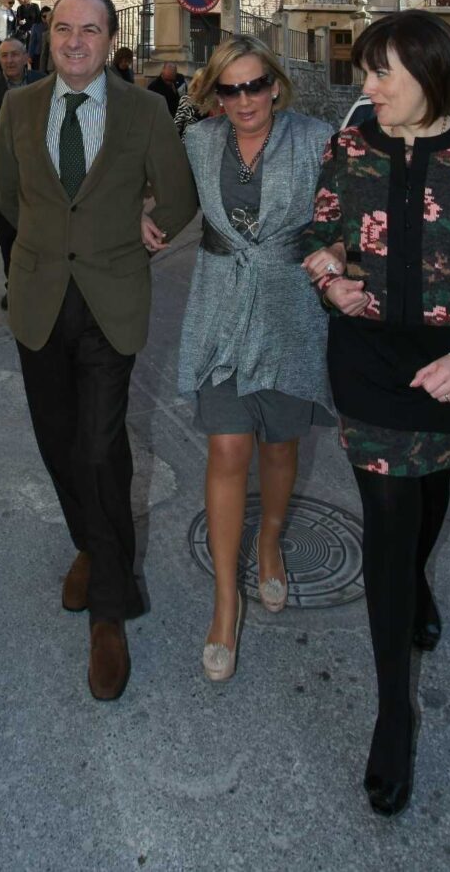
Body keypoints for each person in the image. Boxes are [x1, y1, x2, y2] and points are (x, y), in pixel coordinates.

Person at [301, 10, 450, 818]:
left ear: (430, 76)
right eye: (366, 71)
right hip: (367, 356)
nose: (366, 88)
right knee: (388, 517)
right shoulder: (351, 146)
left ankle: (416, 589)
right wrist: (329, 275)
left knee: (430, 490)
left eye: (381, 74)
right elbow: (319, 230)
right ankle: (393, 710)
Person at [0, 0, 197, 701]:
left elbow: (178, 195)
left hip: (112, 301)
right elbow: (6, 193)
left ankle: (111, 609)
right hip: (40, 297)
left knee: (99, 448)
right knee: (55, 441)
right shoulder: (18, 106)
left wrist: (150, 228)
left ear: (111, 40)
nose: (75, 41)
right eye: (63, 28)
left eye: (90, 30)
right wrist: (53, 242)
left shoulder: (144, 110)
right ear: (48, 36)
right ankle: (89, 542)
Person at [144, 38, 334, 684]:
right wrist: (150, 222)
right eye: (231, 89)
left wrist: (338, 257)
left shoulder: (316, 138)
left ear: (275, 87)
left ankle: (270, 541)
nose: (245, 100)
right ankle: (226, 601)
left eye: (256, 86)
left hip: (288, 314)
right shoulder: (199, 143)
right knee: (228, 449)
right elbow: (172, 203)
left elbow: (345, 216)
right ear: (214, 96)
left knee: (280, 447)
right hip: (221, 312)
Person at [0, 37, 41, 307]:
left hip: (40, 176)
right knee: (7, 233)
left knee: (38, 232)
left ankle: (37, 285)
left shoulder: (44, 82)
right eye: (4, 55)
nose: (10, 60)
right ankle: (13, 285)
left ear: (26, 57)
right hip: (1, 176)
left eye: (15, 54)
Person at [28, 5, 51, 72]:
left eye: (48, 16)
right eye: (44, 16)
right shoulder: (36, 26)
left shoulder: (53, 26)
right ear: (41, 16)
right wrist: (30, 56)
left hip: (49, 56)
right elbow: (32, 42)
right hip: (38, 54)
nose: (46, 18)